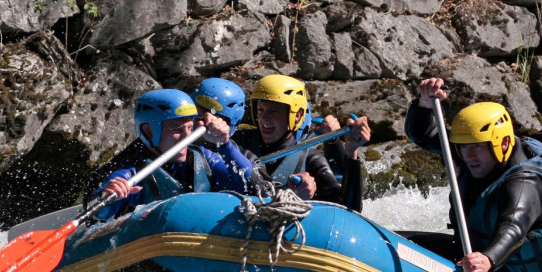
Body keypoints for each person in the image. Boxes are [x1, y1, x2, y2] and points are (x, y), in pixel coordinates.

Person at [404, 77, 542, 272]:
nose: (468, 155)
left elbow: (514, 226)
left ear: (502, 143)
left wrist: (488, 259)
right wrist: (423, 104)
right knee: (402, 242)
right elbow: (425, 135)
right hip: (474, 254)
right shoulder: (475, 150)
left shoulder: (526, 181)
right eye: (463, 147)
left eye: (477, 147)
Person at [86, 88, 256, 218]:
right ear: (150, 132)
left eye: (190, 128)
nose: (186, 137)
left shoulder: (205, 158)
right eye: (176, 129)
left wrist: (225, 144)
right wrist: (108, 194)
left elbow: (248, 185)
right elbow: (98, 213)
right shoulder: (132, 172)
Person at [232, 74, 369, 210]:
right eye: (260, 110)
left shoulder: (311, 159)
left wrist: (351, 154)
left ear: (297, 115)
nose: (264, 118)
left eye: (273, 111)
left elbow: (350, 209)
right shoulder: (238, 142)